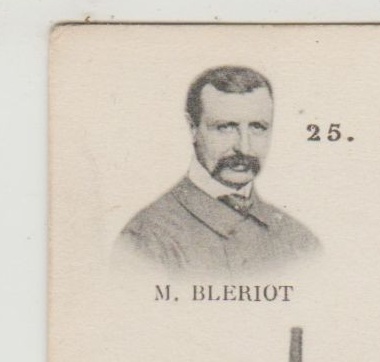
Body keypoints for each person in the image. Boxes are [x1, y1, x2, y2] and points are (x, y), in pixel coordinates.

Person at [117, 66, 320, 275]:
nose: (244, 147)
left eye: (258, 127)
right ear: (192, 128)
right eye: (225, 127)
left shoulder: (300, 242)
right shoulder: (145, 240)